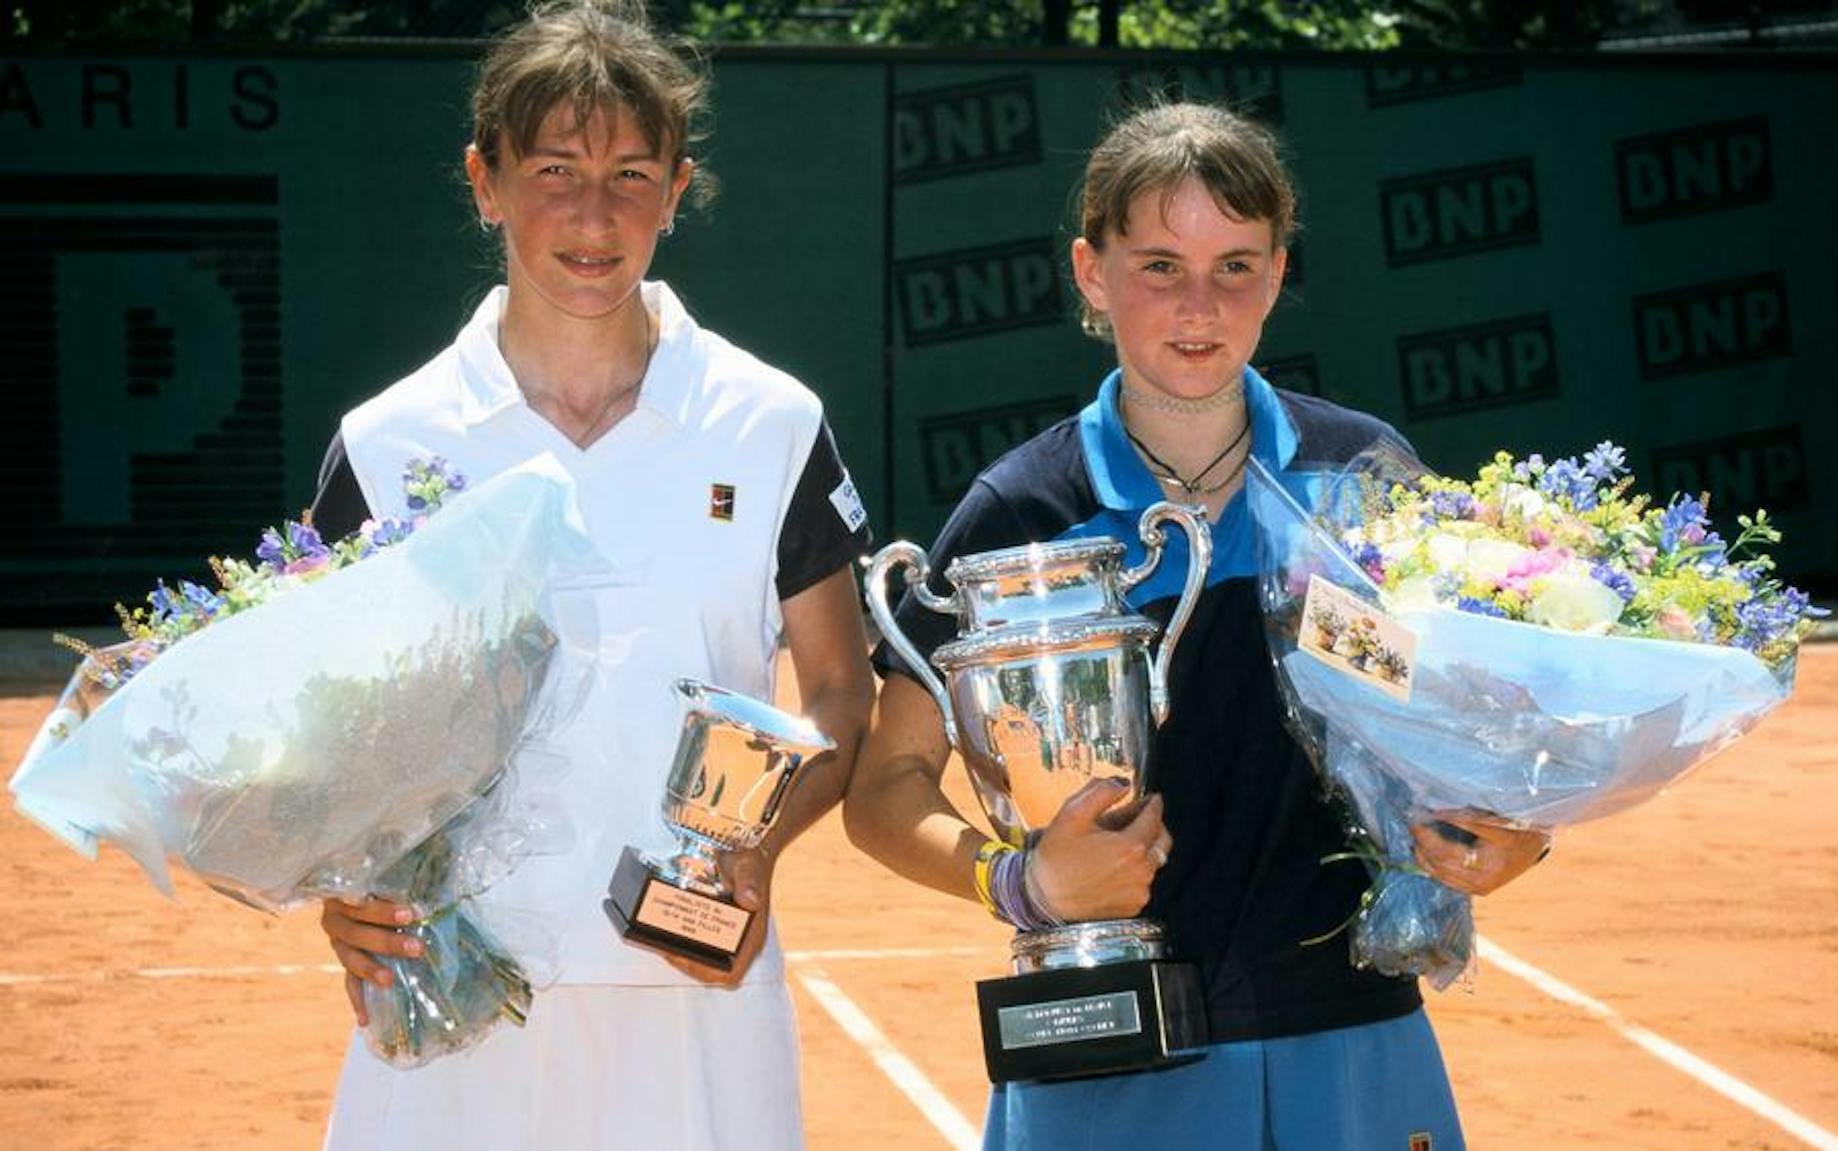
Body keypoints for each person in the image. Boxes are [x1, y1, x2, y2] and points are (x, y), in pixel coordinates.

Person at [844, 101, 1551, 1149]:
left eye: (1235, 265)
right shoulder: (1021, 511)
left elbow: (1465, 726)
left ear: (1275, 272)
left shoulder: (1355, 479)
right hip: (1109, 1049)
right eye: (1158, 265)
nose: (1198, 306)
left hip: (1348, 1033)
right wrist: (1021, 881)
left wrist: (1513, 834)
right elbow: (883, 787)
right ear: (1091, 272)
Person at [306, 3, 874, 1147]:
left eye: (629, 173)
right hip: (454, 987)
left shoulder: (772, 422)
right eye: (553, 168)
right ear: (485, 180)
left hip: (697, 1000)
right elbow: (319, 723)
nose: (591, 212)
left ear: (676, 189)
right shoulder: (386, 440)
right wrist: (341, 883)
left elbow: (838, 689)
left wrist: (752, 845)